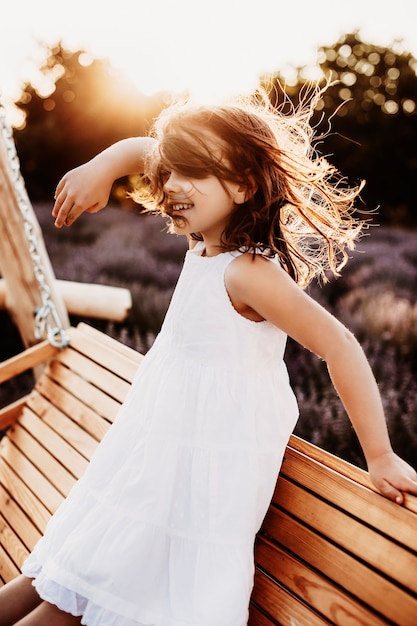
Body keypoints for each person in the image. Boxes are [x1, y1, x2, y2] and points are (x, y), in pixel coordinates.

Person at [1, 91, 417, 626]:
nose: (172, 182)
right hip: (151, 463)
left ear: (244, 185)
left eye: (193, 172)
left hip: (191, 489)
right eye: (170, 171)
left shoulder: (248, 273)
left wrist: (379, 454)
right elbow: (146, 149)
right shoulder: (205, 249)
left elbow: (340, 346)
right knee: (58, 569)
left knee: (77, 588)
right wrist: (99, 168)